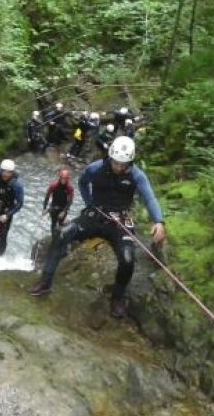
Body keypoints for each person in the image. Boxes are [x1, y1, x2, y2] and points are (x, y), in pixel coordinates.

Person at [30, 136, 166, 318]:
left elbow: (149, 198)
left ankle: (117, 298)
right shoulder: (95, 169)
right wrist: (90, 204)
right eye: (115, 162)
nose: (118, 167)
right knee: (62, 234)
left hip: (119, 221)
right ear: (109, 158)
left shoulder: (137, 176)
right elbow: (82, 183)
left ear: (130, 162)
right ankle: (45, 282)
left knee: (127, 260)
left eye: (122, 164)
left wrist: (158, 221)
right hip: (95, 216)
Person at [42, 169, 75, 236]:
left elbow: (70, 201)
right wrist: (44, 208)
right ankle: (53, 237)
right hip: (54, 207)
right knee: (53, 223)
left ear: (67, 179)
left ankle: (59, 234)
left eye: (65, 179)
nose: (63, 180)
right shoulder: (53, 186)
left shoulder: (69, 188)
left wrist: (64, 211)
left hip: (63, 207)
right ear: (60, 178)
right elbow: (47, 197)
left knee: (61, 222)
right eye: (62, 178)